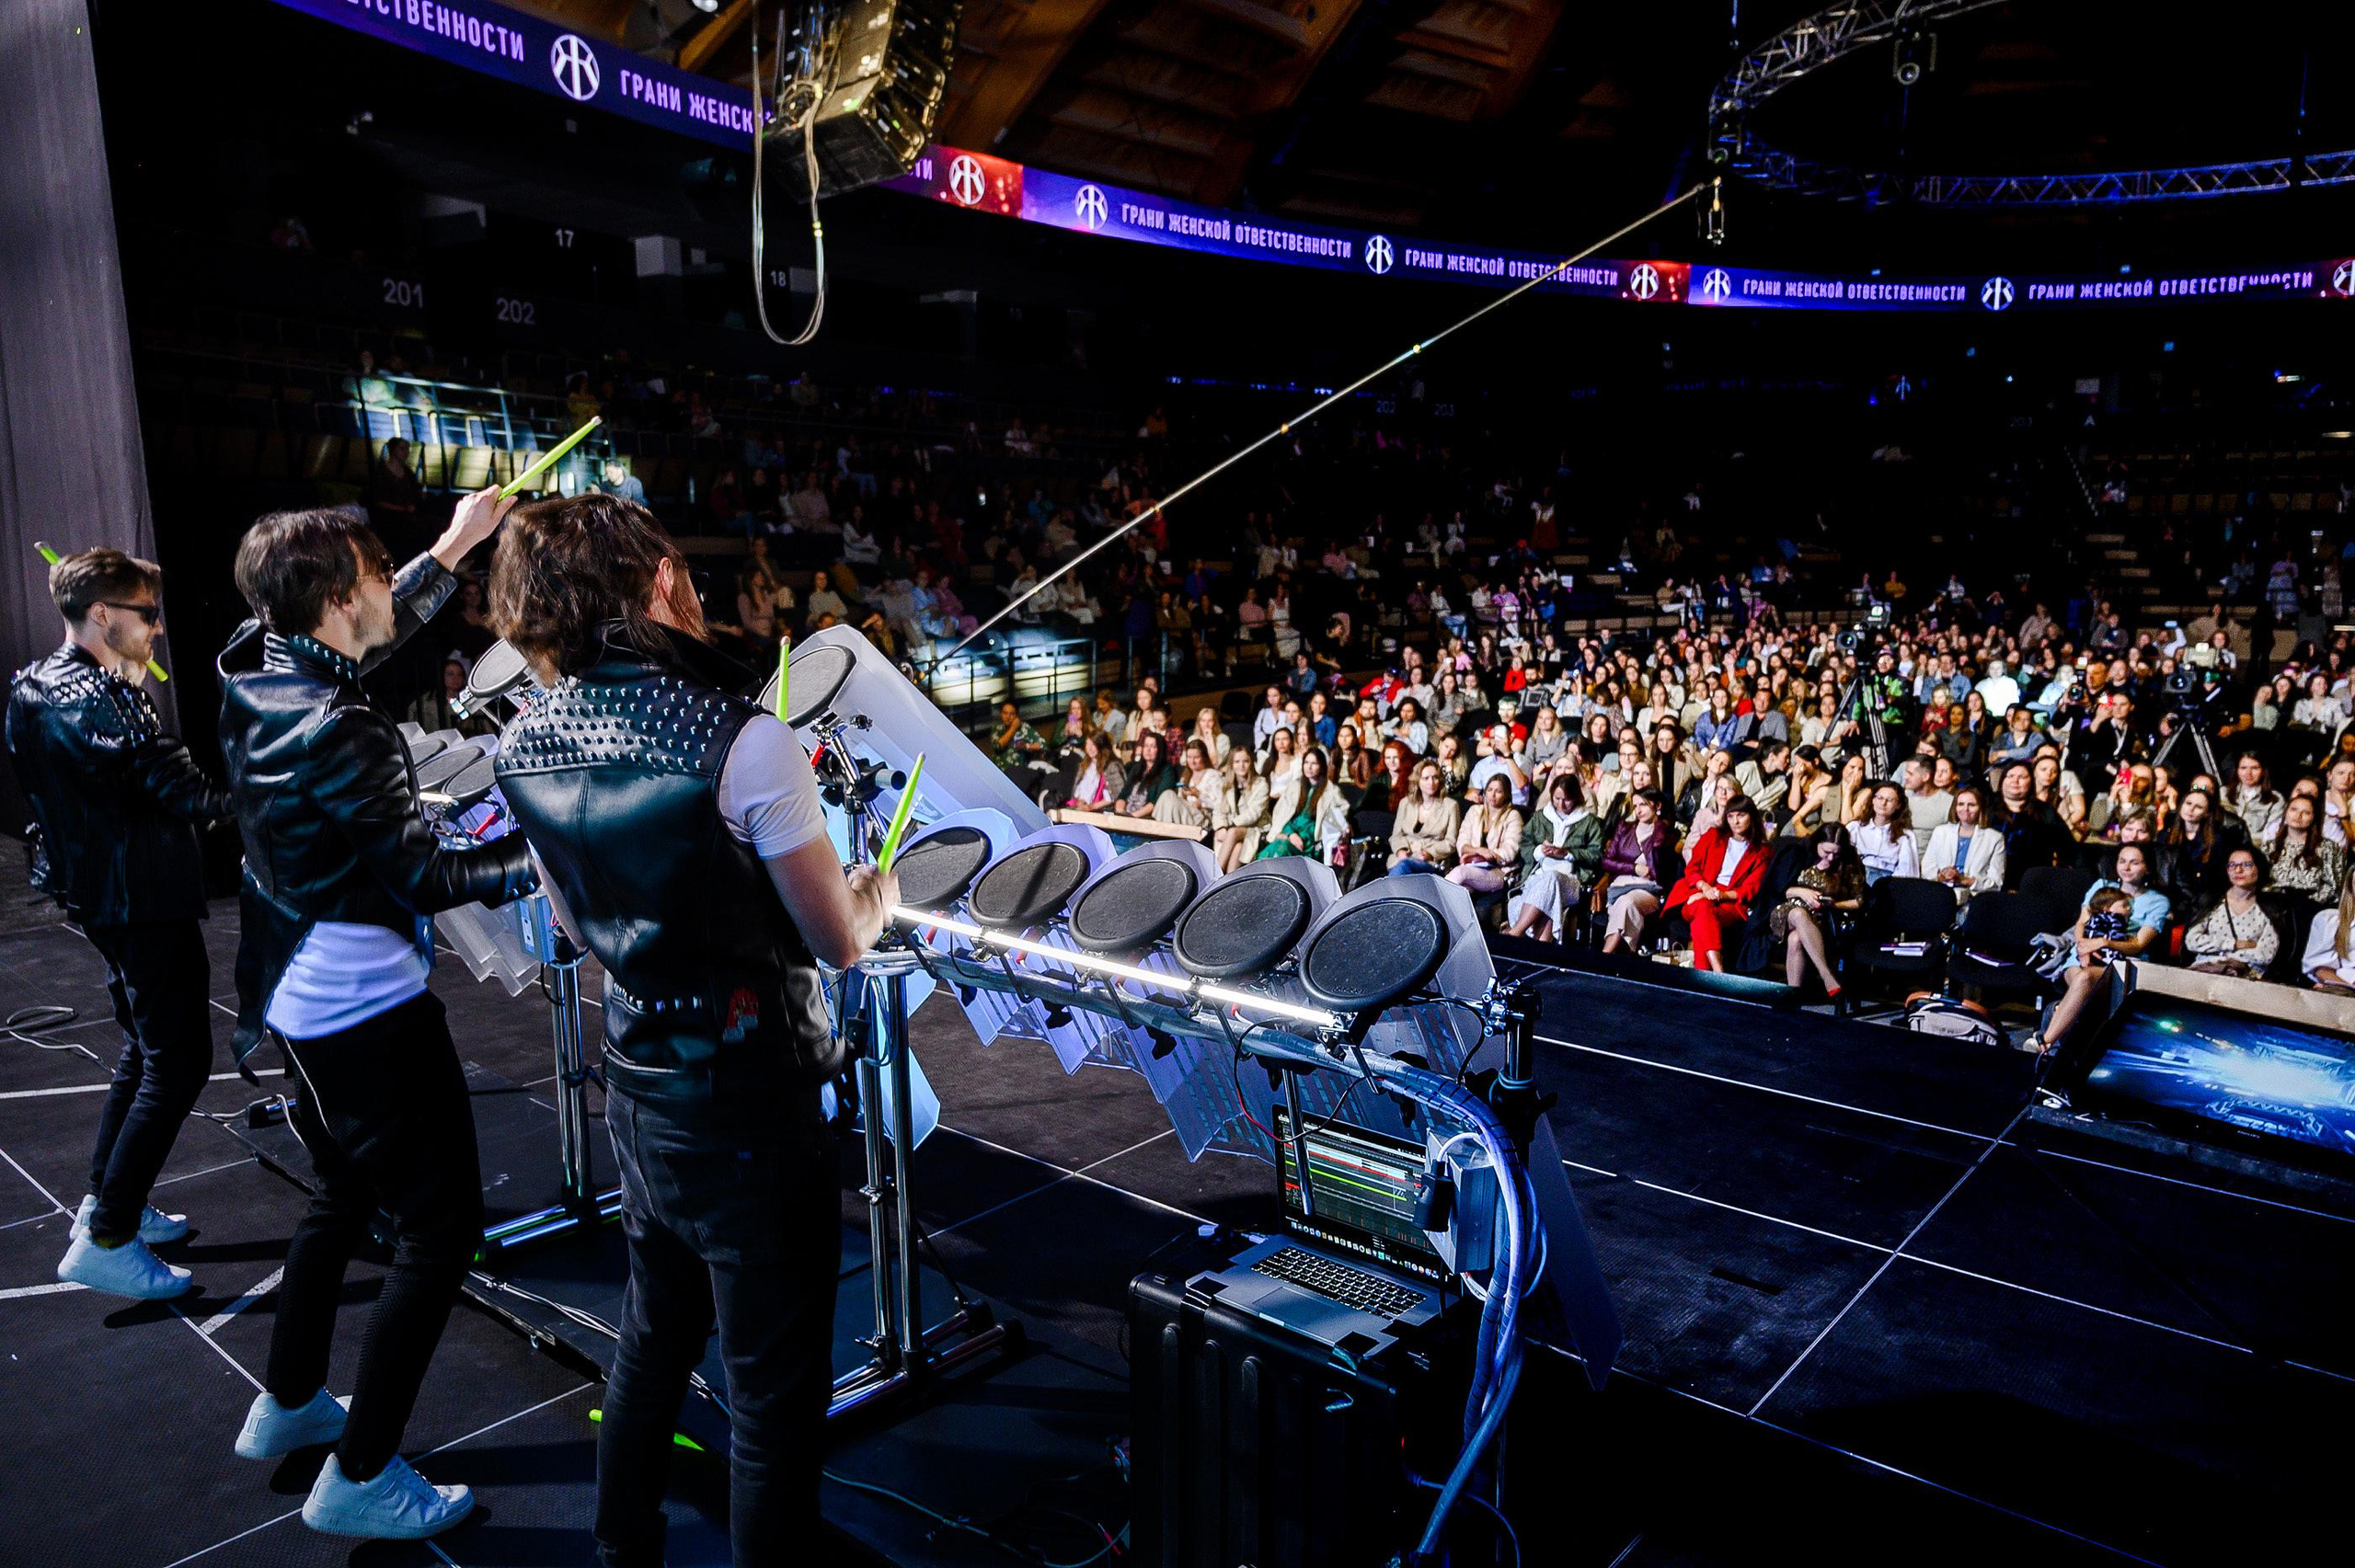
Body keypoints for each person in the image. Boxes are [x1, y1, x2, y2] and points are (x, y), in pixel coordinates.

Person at [487, 492, 895, 1568]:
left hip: (638, 1085)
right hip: (750, 1106)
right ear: (659, 583)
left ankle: (624, 1552)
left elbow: (574, 927)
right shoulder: (745, 742)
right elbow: (838, 939)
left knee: (650, 1344)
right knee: (770, 1407)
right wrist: (876, 894)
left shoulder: (525, 737)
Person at [216, 495, 538, 1539]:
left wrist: (453, 548)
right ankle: (359, 1473)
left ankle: (290, 1400)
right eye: (374, 568)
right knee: (440, 1231)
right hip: (367, 1014)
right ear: (331, 598)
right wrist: (551, 848)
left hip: (294, 993)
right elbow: (425, 871)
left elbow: (369, 626)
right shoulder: (340, 725)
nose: (384, 580)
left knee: (342, 1195)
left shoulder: (252, 661)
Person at [6, 547, 232, 1300]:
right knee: (177, 1061)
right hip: (141, 900)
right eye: (146, 615)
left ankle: (108, 1205)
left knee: (143, 1050)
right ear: (102, 614)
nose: (159, 630)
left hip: (98, 894)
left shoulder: (35, 685)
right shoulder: (102, 700)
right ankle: (107, 1237)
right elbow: (191, 795)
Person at [2038, 844, 2169, 1052]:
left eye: (2134, 863)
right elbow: (2082, 923)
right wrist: (2083, 947)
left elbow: (2138, 945)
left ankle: (2046, 1040)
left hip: (2122, 963)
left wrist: (2104, 942)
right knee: (2082, 979)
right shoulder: (2102, 885)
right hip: (2079, 957)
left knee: (2086, 979)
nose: (2126, 867)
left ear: (2148, 868)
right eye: (2122, 861)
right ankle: (2055, 1044)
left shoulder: (2158, 901)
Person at [1665, 793, 1767, 970]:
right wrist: (1704, 888)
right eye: (1731, 816)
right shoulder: (1713, 836)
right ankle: (1718, 971)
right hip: (1697, 891)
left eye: (1741, 816)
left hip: (1730, 901)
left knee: (1702, 915)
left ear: (1752, 817)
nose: (1735, 821)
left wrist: (1719, 895)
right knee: (1702, 906)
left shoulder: (1762, 851)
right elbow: (1692, 868)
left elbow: (1750, 888)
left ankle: (1704, 975)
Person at [1505, 772, 1603, 941]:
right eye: (1557, 799)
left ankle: (1516, 932)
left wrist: (1567, 853)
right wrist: (1539, 851)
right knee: (1549, 897)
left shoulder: (1589, 822)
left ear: (1576, 797)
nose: (1561, 804)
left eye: (1567, 799)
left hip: (1572, 880)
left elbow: (1597, 855)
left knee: (1552, 879)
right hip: (1539, 876)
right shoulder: (1540, 817)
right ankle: (1542, 948)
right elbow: (1525, 845)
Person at [1772, 827, 1867, 1001]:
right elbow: (1778, 889)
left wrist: (1835, 904)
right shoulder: (1799, 854)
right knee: (1799, 915)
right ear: (1817, 844)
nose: (1831, 858)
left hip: (1821, 917)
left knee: (1796, 939)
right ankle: (1827, 976)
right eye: (1826, 852)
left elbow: (1859, 901)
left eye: (1836, 854)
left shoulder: (1848, 863)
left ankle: (1793, 996)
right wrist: (1802, 892)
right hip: (1787, 910)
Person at [2183, 849, 2280, 979]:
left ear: (2259, 868)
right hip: (2205, 970)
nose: (2238, 870)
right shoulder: (2212, 901)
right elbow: (2192, 940)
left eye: (2246, 865)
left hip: (2245, 975)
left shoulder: (2269, 908)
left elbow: (2266, 954)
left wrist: (2226, 958)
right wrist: (2234, 944)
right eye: (2232, 865)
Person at [1598, 788, 1672, 953]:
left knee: (1626, 903)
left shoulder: (1666, 834)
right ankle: (1624, 955)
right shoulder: (1624, 828)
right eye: (1635, 805)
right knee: (1626, 904)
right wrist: (1633, 868)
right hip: (1620, 887)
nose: (1638, 810)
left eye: (1643, 805)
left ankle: (1605, 955)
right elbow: (1606, 862)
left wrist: (1659, 829)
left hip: (1649, 890)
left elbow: (1661, 870)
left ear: (1657, 805)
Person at [1923, 784, 2005, 901]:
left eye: (1971, 805)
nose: (1965, 809)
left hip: (1975, 899)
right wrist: (1942, 876)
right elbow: (1927, 869)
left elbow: (1996, 883)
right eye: (1961, 804)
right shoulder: (1940, 832)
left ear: (1980, 808)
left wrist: (1966, 880)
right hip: (1940, 894)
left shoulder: (1995, 838)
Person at [1447, 773, 1523, 894]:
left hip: (1499, 871)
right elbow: (1462, 842)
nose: (1492, 795)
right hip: (1470, 867)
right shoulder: (1474, 811)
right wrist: (1479, 851)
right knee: (1462, 892)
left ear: (1506, 794)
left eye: (1498, 791)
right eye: (1489, 790)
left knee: (1459, 873)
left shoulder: (1512, 816)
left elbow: (1509, 852)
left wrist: (1480, 855)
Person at [1388, 759, 1462, 876]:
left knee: (1403, 868)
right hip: (1402, 858)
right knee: (1402, 865)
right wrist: (1400, 851)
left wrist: (1430, 853)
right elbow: (1396, 836)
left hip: (1431, 861)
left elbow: (1451, 842)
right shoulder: (1405, 803)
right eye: (1426, 778)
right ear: (1417, 781)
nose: (1431, 783)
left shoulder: (1450, 805)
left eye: (1435, 778)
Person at [1211, 748, 1271, 871]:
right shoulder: (1226, 785)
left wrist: (1231, 826)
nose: (1241, 766)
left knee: (1233, 833)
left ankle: (1214, 875)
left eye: (1246, 761)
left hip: (1256, 830)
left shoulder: (1261, 784)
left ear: (1251, 763)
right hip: (1232, 834)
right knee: (1238, 847)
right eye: (1237, 762)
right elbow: (1218, 810)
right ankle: (1226, 883)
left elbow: (1254, 813)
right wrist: (1221, 827)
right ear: (1232, 764)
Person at [1845, 783, 1920, 883]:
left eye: (1889, 800)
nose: (1883, 803)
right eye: (1880, 798)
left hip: (1888, 882)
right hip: (1857, 878)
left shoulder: (1905, 836)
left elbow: (1907, 872)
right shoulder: (1855, 828)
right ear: (1873, 800)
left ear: (1898, 805)